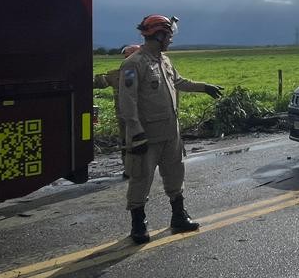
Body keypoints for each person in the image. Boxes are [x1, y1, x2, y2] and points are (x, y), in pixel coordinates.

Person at [118, 15, 223, 244]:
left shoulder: (164, 60)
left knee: (175, 174)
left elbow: (179, 82)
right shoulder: (134, 64)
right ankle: (138, 224)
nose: (171, 40)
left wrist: (204, 87)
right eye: (168, 35)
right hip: (146, 135)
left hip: (170, 133)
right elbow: (127, 102)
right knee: (141, 178)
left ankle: (178, 216)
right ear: (158, 35)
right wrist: (135, 131)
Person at [93, 44, 140, 179]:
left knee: (133, 143)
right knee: (128, 143)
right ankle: (130, 170)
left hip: (136, 116)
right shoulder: (117, 74)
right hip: (126, 116)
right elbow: (100, 83)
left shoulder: (141, 74)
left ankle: (134, 170)